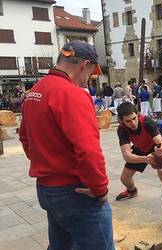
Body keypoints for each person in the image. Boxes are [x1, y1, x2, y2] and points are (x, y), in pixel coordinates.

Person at [19, 40, 114, 250]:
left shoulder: (35, 92)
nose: (87, 79)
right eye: (90, 73)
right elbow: (89, 150)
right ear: (84, 65)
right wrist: (99, 189)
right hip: (76, 191)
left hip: (47, 189)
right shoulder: (73, 94)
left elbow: (25, 139)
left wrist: (47, 162)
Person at [115, 102, 162, 229]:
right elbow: (126, 155)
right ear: (122, 121)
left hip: (154, 147)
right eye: (128, 121)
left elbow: (160, 143)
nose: (133, 123)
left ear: (137, 114)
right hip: (140, 149)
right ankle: (132, 191)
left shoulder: (148, 122)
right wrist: (145, 159)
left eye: (134, 119)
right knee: (124, 178)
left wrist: (160, 150)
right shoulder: (121, 129)